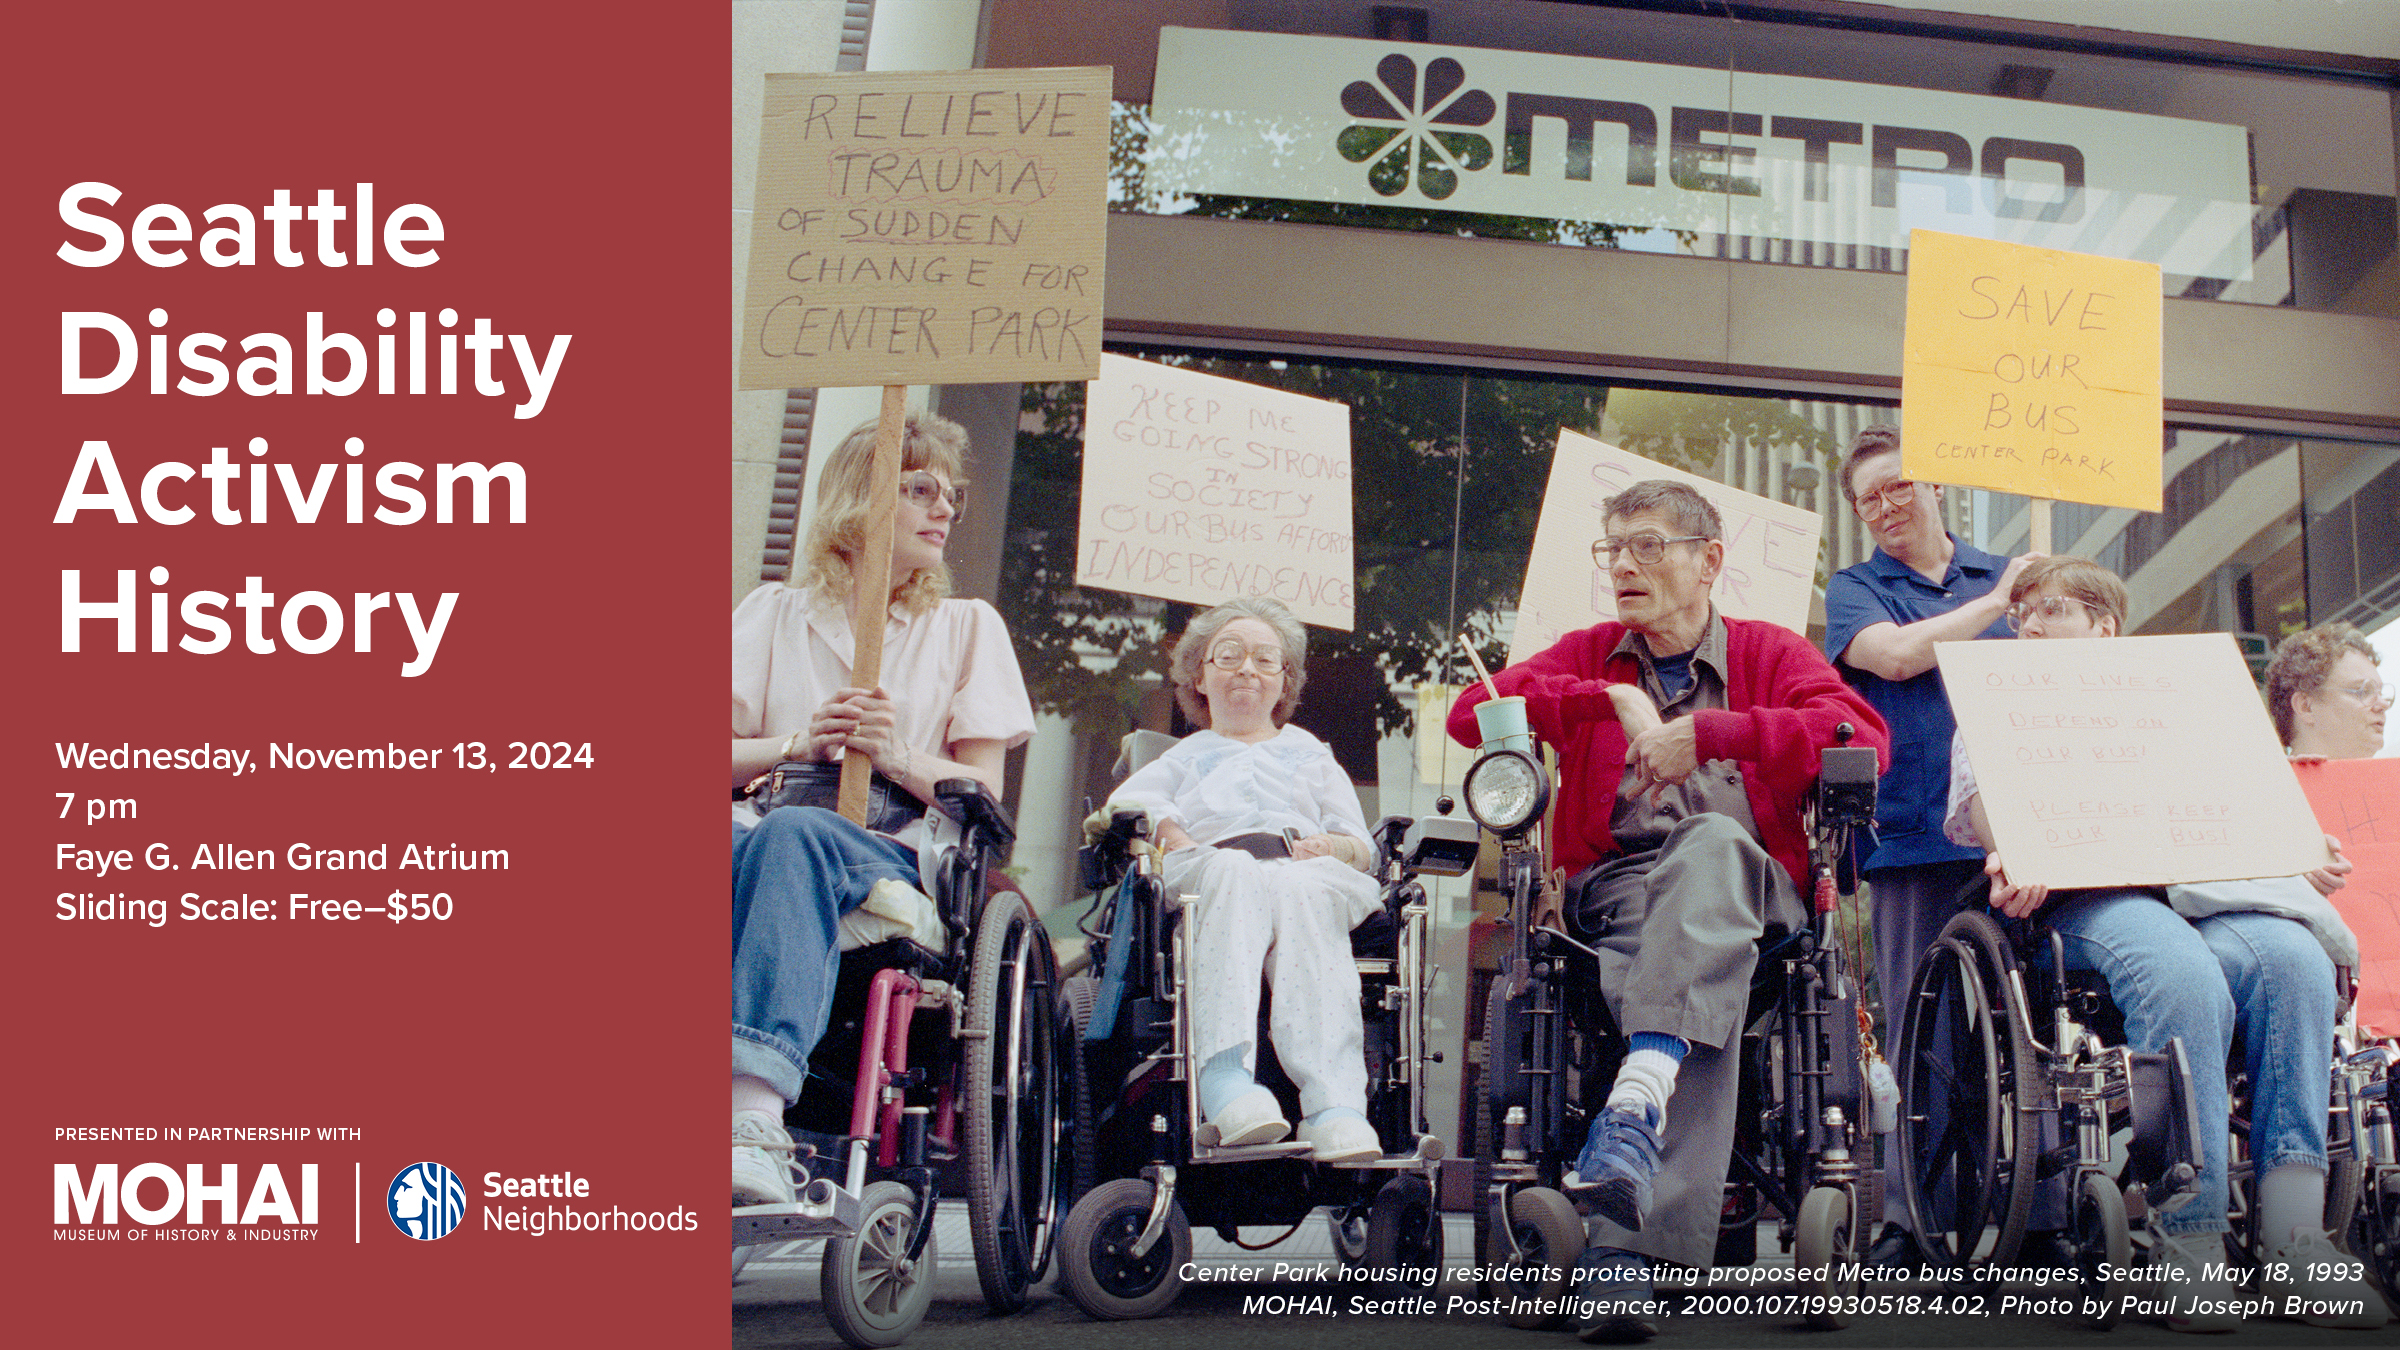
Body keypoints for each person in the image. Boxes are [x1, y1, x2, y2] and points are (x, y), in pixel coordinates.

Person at [1447, 480, 1888, 1343]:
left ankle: (1621, 1244)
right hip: (1621, 905)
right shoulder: (1589, 654)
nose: (1624, 566)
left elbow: (1862, 739)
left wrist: (1713, 735)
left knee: (1712, 850)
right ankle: (1641, 1111)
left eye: (1648, 545)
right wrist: (1600, 700)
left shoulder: (1770, 654)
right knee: (1690, 992)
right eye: (1613, 548)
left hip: (1754, 897)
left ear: (1708, 560)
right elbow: (1473, 715)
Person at [1944, 556, 2385, 1332]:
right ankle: (2192, 1236)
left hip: (2205, 890)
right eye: (2023, 615)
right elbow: (1988, 818)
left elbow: (2243, 802)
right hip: (2090, 899)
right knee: (2182, 976)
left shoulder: (2176, 699)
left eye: (2052, 610)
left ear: (2104, 627)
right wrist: (2018, 852)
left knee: (2296, 963)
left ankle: (2294, 1237)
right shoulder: (1992, 706)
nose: (2032, 625)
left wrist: (2301, 846)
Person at [728, 410, 1036, 1207]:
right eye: (920, 488)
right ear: (856, 502)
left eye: (954, 496)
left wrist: (893, 751)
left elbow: (986, 797)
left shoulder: (966, 627)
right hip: (765, 821)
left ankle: (754, 1118)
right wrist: (797, 742)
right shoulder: (772, 614)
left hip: (887, 851)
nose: (944, 510)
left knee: (798, 836)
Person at [1819, 425, 2040, 1268]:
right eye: (1868, 498)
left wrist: (2027, 597)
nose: (1885, 507)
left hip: (2017, 829)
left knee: (2026, 1032)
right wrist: (1998, 605)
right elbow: (1899, 658)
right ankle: (1914, 1219)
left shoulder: (2017, 577)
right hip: (1911, 836)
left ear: (1936, 486)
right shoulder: (1856, 589)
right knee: (1924, 1031)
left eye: (1899, 486)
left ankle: (2037, 1216)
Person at [1107, 597, 1386, 1164]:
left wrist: (1331, 847)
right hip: (1212, 870)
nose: (1247, 670)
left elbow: (1363, 845)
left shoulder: (1310, 753)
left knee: (1301, 888)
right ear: (1199, 675)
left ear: (1284, 680)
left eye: (1265, 659)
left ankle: (1335, 1106)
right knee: (1234, 871)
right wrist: (1171, 831)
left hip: (1300, 872)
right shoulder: (1186, 755)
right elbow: (1126, 803)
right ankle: (1226, 1083)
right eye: (1228, 656)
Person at [2269, 622, 2389, 760]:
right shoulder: (2262, 780)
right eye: (2363, 691)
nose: (2383, 704)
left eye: (2380, 693)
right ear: (2306, 707)